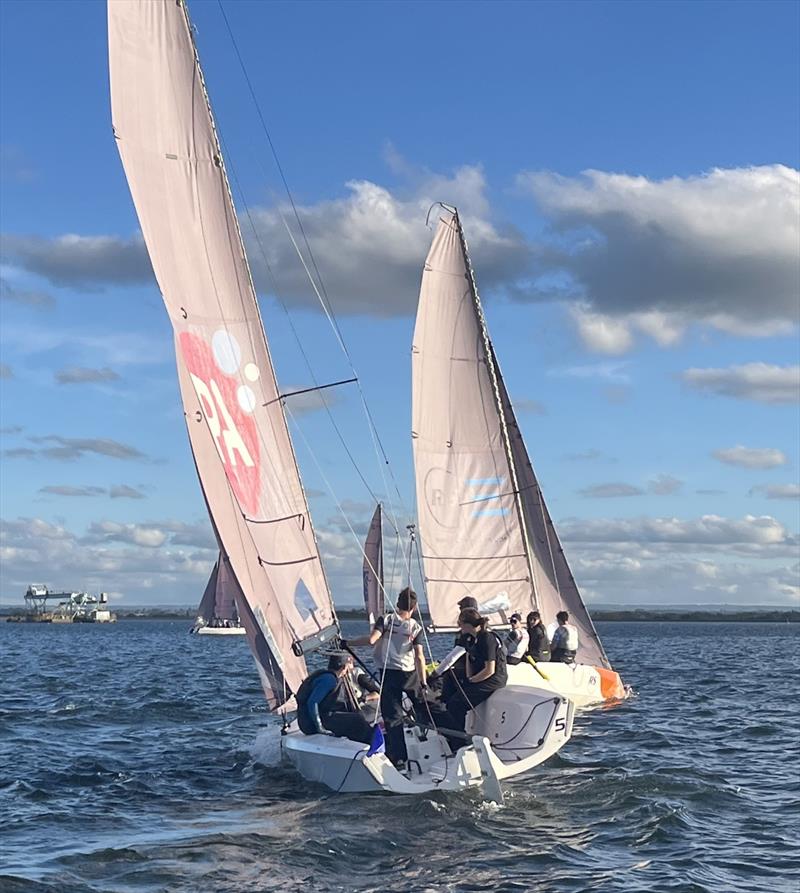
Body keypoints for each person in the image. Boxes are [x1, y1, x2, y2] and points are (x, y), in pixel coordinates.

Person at [344, 587, 427, 767]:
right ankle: (452, 738)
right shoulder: (416, 627)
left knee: (393, 716)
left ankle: (399, 757)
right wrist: (424, 681)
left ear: (397, 604)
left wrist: (347, 643)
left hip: (389, 673)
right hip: (409, 673)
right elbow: (419, 656)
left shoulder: (387, 620)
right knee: (425, 705)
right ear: (413, 608)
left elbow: (372, 640)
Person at [438, 608, 507, 742]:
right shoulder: (470, 638)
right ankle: (445, 714)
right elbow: (469, 658)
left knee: (456, 703)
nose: (459, 626)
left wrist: (471, 681)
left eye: (460, 623)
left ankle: (459, 740)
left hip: (493, 678)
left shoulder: (487, 638)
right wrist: (468, 677)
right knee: (451, 676)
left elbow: (490, 669)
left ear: (468, 624)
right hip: (478, 675)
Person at [295, 653, 374, 744]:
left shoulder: (328, 676)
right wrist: (320, 727)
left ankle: (358, 741)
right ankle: (371, 743)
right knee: (357, 719)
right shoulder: (329, 680)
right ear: (344, 667)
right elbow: (312, 702)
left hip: (315, 718)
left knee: (352, 716)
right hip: (310, 725)